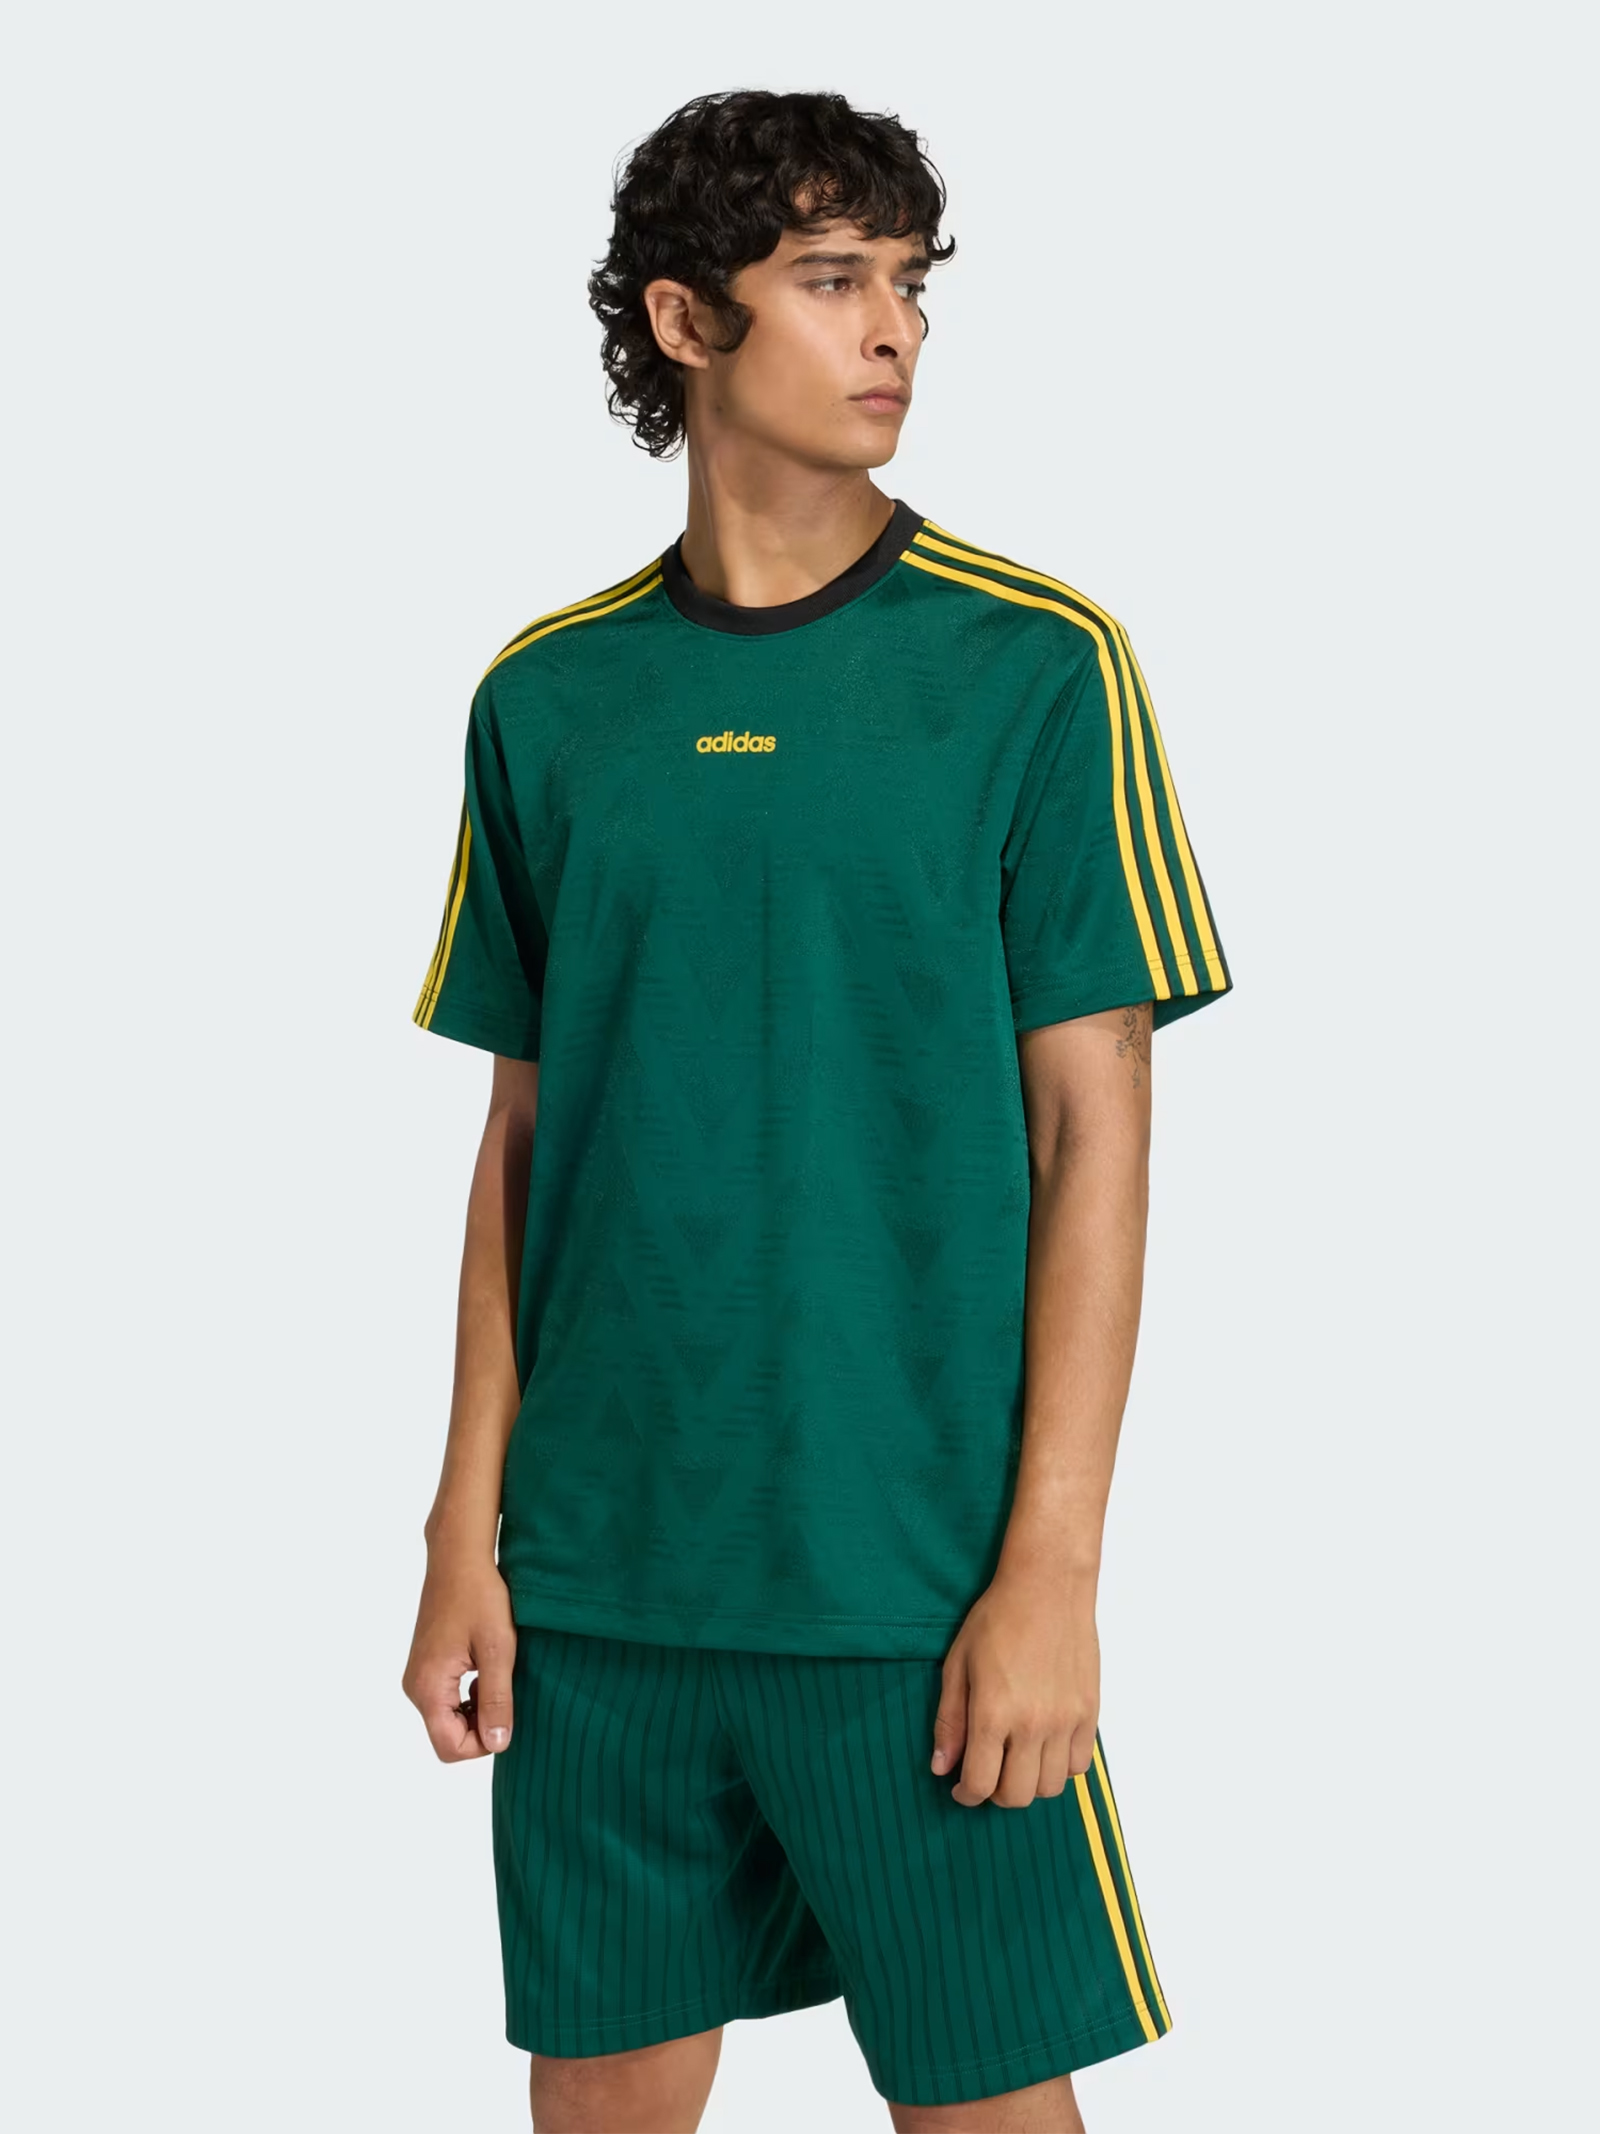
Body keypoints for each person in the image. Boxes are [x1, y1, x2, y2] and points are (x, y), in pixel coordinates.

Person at [402, 87, 1231, 2134]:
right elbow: (526, 1146)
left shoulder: (1033, 668)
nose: (893, 330)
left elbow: (1095, 1135)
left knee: (988, 2102)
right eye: (832, 278)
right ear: (686, 320)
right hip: (600, 1582)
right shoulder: (546, 698)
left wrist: (1051, 1570)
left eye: (910, 284)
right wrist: (458, 1530)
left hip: (909, 1581)